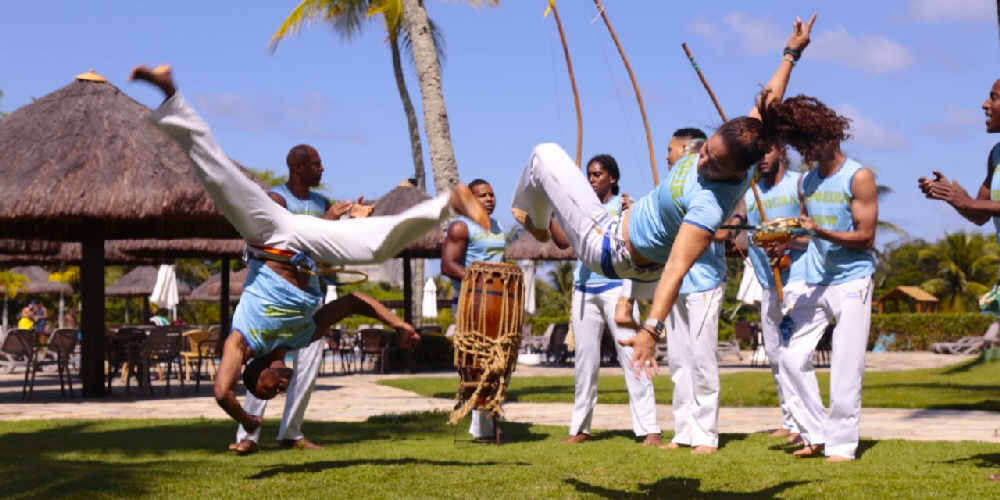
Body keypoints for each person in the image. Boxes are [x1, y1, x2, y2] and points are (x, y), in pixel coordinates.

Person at [130, 64, 490, 432]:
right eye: (278, 394)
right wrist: (399, 323)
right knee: (377, 249)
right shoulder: (303, 335)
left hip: (268, 235)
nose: (279, 389)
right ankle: (449, 202)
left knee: (217, 174)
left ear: (257, 374)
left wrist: (247, 418)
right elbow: (352, 303)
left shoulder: (242, 340)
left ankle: (170, 94)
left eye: (270, 390)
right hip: (302, 240)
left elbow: (223, 392)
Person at [512, 14, 821, 378]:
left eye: (712, 162)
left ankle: (532, 218)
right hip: (618, 232)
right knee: (545, 166)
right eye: (705, 149)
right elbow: (768, 103)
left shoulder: (710, 205)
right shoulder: (745, 143)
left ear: (736, 171)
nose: (701, 159)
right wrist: (791, 53)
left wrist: (651, 330)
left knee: (544, 154)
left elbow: (676, 269)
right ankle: (538, 217)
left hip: (609, 249)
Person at [231, 144, 370, 455]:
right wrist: (329, 222)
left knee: (307, 366)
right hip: (274, 298)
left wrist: (355, 219)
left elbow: (328, 246)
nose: (322, 169)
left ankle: (291, 432)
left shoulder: (322, 203)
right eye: (317, 165)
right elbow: (282, 244)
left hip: (310, 297)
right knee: (265, 364)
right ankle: (248, 434)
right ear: (298, 169)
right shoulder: (277, 199)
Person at [777, 100, 877, 462]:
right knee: (789, 357)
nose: (807, 152)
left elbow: (866, 237)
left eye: (811, 142)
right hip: (816, 280)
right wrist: (787, 243)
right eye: (801, 145)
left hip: (852, 280)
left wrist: (818, 229)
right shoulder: (806, 181)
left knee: (846, 368)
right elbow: (807, 235)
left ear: (830, 133)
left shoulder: (858, 176)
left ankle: (841, 447)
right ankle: (816, 431)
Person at [918, 78, 1000, 479]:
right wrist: (954, 197)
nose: (985, 104)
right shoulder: (996, 153)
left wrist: (970, 201)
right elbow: (982, 212)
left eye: (995, 97)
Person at [563, 154, 661, 446]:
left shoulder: (623, 205)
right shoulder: (580, 209)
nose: (592, 179)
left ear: (612, 178)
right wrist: (561, 208)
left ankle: (649, 428)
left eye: (597, 175)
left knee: (633, 356)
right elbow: (558, 239)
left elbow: (636, 243)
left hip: (617, 288)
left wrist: (629, 297)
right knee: (585, 362)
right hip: (583, 290)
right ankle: (580, 428)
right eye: (589, 175)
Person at [655, 128, 733, 455]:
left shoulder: (715, 185)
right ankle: (683, 430)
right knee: (679, 361)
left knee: (702, 359)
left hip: (705, 281)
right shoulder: (674, 188)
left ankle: (706, 434)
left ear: (689, 148)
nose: (667, 155)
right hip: (678, 283)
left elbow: (722, 230)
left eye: (671, 149)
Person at [744, 145, 807, 444]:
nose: (762, 158)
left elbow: (813, 232)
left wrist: (787, 242)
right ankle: (788, 418)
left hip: (797, 280)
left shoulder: (799, 184)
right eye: (757, 153)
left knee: (795, 353)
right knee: (774, 354)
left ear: (781, 152)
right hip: (768, 283)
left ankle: (803, 422)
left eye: (767, 151)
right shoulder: (750, 193)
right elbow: (744, 236)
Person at [441, 178, 510, 442]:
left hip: (498, 304)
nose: (489, 199)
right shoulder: (461, 227)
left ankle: (486, 421)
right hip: (471, 303)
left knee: (499, 363)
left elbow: (499, 263)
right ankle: (481, 425)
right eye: (482, 195)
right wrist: (481, 283)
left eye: (492, 194)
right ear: (470, 199)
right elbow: (449, 265)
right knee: (477, 364)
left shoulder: (499, 226)